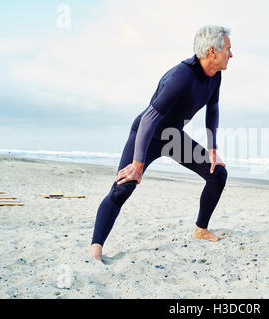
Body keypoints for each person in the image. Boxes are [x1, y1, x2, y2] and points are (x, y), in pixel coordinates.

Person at [88, 25, 233, 260]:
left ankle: (201, 229)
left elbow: (213, 108)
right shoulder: (181, 76)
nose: (231, 54)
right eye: (228, 49)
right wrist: (137, 164)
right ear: (212, 51)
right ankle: (96, 248)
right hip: (145, 136)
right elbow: (148, 119)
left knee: (217, 173)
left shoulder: (215, 75)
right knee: (123, 187)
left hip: (172, 138)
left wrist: (213, 148)